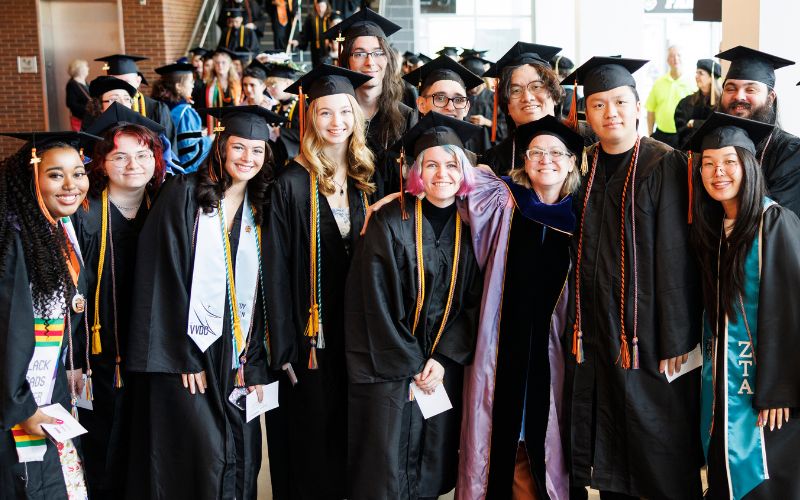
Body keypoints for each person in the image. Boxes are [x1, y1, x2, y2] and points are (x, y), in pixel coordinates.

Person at [561, 56, 703, 499]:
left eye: (620, 102)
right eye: (599, 105)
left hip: (649, 336)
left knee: (656, 447)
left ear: (639, 107)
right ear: (587, 114)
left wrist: (678, 337)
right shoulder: (580, 168)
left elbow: (679, 258)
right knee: (608, 449)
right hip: (597, 332)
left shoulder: (667, 165)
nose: (611, 113)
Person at [125, 106, 278, 500]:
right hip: (190, 353)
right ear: (222, 147)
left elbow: (266, 293)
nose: (247, 158)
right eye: (239, 147)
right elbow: (161, 277)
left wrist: (254, 357)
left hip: (238, 353)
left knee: (240, 450)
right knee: (198, 453)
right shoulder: (184, 195)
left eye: (257, 151)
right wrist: (184, 354)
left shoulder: (264, 206)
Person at [346, 113, 483, 500]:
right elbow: (371, 301)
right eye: (432, 164)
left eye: (452, 164)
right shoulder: (388, 221)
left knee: (430, 467)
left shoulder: (473, 226)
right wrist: (409, 365)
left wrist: (441, 358)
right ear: (417, 170)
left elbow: (476, 301)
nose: (443, 173)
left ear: (464, 170)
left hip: (441, 368)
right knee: (386, 470)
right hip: (391, 370)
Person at [263, 64, 376, 500]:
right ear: (311, 118)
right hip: (310, 334)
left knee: (355, 428)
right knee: (313, 429)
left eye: (344, 112)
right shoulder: (291, 182)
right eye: (325, 113)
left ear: (356, 115)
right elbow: (274, 266)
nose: (336, 122)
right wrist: (284, 343)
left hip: (361, 330)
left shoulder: (367, 177)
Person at [457, 115, 583, 500]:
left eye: (556, 153)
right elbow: (444, 188)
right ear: (524, 160)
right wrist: (395, 195)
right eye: (536, 152)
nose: (546, 160)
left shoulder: (581, 214)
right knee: (499, 430)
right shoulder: (503, 199)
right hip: (498, 345)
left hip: (553, 352)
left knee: (544, 433)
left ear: (572, 161)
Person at [687, 112, 800, 500]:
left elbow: (792, 311)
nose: (718, 172)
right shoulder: (715, 228)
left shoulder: (775, 222)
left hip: (769, 393)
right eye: (708, 164)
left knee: (765, 479)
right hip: (723, 383)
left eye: (730, 162)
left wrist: (779, 389)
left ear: (749, 167)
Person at [71, 104, 167, 499]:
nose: (134, 165)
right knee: (104, 450)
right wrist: (74, 359)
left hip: (155, 357)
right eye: (120, 156)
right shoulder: (84, 214)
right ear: (101, 163)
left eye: (143, 154)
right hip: (100, 357)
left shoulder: (165, 207)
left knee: (151, 448)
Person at [0, 130, 100, 499]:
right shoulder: (14, 240)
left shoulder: (57, 230)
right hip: (18, 404)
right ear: (32, 178)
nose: (71, 184)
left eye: (78, 172)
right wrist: (21, 406)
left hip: (45, 392)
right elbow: (8, 331)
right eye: (56, 174)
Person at [324, 6, 416, 194]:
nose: (370, 62)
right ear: (346, 60)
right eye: (359, 54)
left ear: (388, 58)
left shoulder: (406, 117)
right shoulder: (333, 119)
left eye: (378, 52)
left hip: (394, 217)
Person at [716, 46, 800, 218]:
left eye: (750, 90)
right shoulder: (709, 146)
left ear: (771, 98)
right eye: (730, 88)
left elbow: (779, 218)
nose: (739, 96)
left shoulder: (791, 152)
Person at [481, 42, 563, 174]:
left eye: (536, 86)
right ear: (506, 105)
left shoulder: (584, 147)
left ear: (554, 94)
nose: (527, 97)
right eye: (516, 90)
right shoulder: (495, 161)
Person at [404, 55, 491, 155]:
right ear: (421, 104)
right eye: (440, 98)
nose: (450, 107)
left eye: (458, 99)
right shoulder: (402, 161)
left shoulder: (476, 161)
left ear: (467, 108)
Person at [95, 54, 177, 147]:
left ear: (138, 81)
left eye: (126, 82)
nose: (120, 87)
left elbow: (169, 149)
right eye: (114, 82)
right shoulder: (98, 108)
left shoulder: (157, 109)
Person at [153, 62, 214, 173]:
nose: (193, 85)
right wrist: (209, 140)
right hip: (183, 175)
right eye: (190, 81)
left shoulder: (157, 106)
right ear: (178, 86)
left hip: (163, 169)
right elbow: (190, 156)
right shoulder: (186, 113)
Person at [645, 45, 696, 147]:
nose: (675, 59)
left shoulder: (693, 83)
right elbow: (650, 110)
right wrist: (650, 134)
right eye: (672, 56)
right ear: (667, 60)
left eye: (678, 55)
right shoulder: (659, 83)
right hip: (661, 135)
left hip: (684, 135)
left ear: (683, 59)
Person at [460, 53, 508, 147]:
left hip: (488, 149)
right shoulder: (461, 98)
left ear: (481, 79)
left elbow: (506, 128)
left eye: (475, 80)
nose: (471, 85)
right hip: (465, 151)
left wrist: (487, 122)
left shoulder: (495, 99)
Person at [673, 58, 722, 146]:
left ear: (711, 78)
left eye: (701, 73)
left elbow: (719, 129)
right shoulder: (686, 103)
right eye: (696, 73)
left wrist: (694, 123)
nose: (696, 76)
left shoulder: (722, 103)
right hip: (690, 152)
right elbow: (681, 130)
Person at [264, 62, 302, 170]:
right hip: (276, 163)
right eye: (268, 86)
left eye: (273, 84)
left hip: (295, 163)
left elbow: (307, 134)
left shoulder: (301, 106)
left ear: (287, 83)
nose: (269, 89)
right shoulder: (276, 107)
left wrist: (281, 132)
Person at [204, 48, 243, 133]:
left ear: (230, 64)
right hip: (215, 129)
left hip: (234, 127)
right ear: (214, 65)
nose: (220, 66)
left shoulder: (238, 85)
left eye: (223, 62)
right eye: (217, 63)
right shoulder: (207, 86)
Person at [294, 0, 331, 68]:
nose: (320, 8)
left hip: (329, 50)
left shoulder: (330, 17)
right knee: (316, 70)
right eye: (319, 6)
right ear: (316, 6)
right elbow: (305, 33)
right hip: (315, 50)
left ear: (326, 6)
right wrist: (298, 41)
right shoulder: (311, 17)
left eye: (322, 6)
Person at [66, 59, 90, 131]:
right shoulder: (72, 84)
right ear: (80, 69)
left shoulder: (84, 82)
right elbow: (70, 103)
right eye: (86, 66)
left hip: (88, 118)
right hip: (80, 119)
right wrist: (87, 108)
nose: (88, 68)